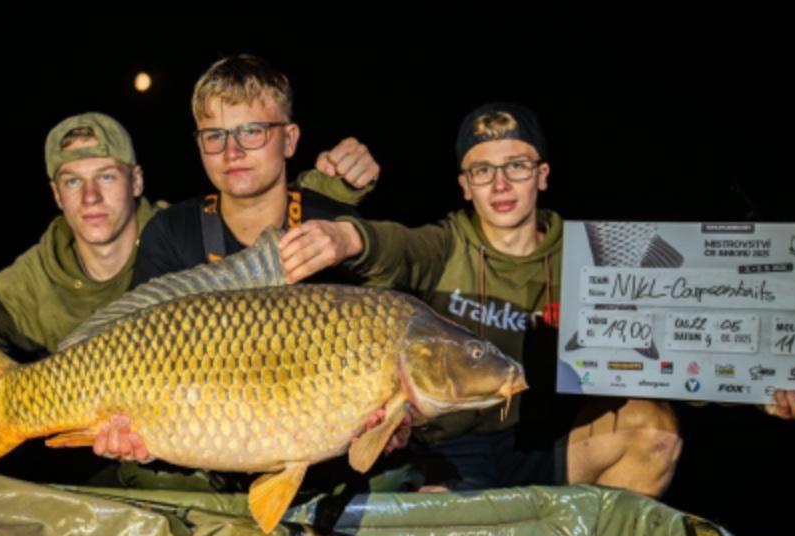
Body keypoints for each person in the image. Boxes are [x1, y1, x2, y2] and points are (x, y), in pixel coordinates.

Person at [0, 111, 377, 464]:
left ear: (136, 181)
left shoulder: (179, 238)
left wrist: (334, 188)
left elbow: (255, 233)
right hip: (97, 450)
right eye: (73, 182)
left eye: (106, 176)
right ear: (55, 194)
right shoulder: (25, 282)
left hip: (205, 438)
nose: (92, 197)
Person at [279, 102, 684, 496]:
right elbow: (400, 247)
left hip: (542, 442)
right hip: (448, 449)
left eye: (516, 166)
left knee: (655, 433)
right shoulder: (445, 245)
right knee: (436, 508)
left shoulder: (590, 259)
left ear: (542, 175)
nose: (500, 184)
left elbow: (666, 343)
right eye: (483, 170)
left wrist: (706, 365)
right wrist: (348, 237)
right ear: (466, 186)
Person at [130, 54, 380, 287]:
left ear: (289, 140)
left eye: (251, 131)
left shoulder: (335, 229)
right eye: (215, 135)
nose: (232, 152)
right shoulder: (170, 235)